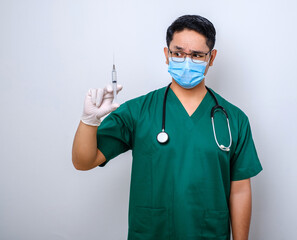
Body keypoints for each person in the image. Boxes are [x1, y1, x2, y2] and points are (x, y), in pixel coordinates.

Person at [72, 15, 263, 240]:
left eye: (196, 55)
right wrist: (89, 121)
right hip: (153, 232)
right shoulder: (138, 111)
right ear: (167, 55)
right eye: (178, 53)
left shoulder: (234, 119)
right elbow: (83, 162)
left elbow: (240, 190)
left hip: (208, 233)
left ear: (211, 58)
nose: (186, 61)